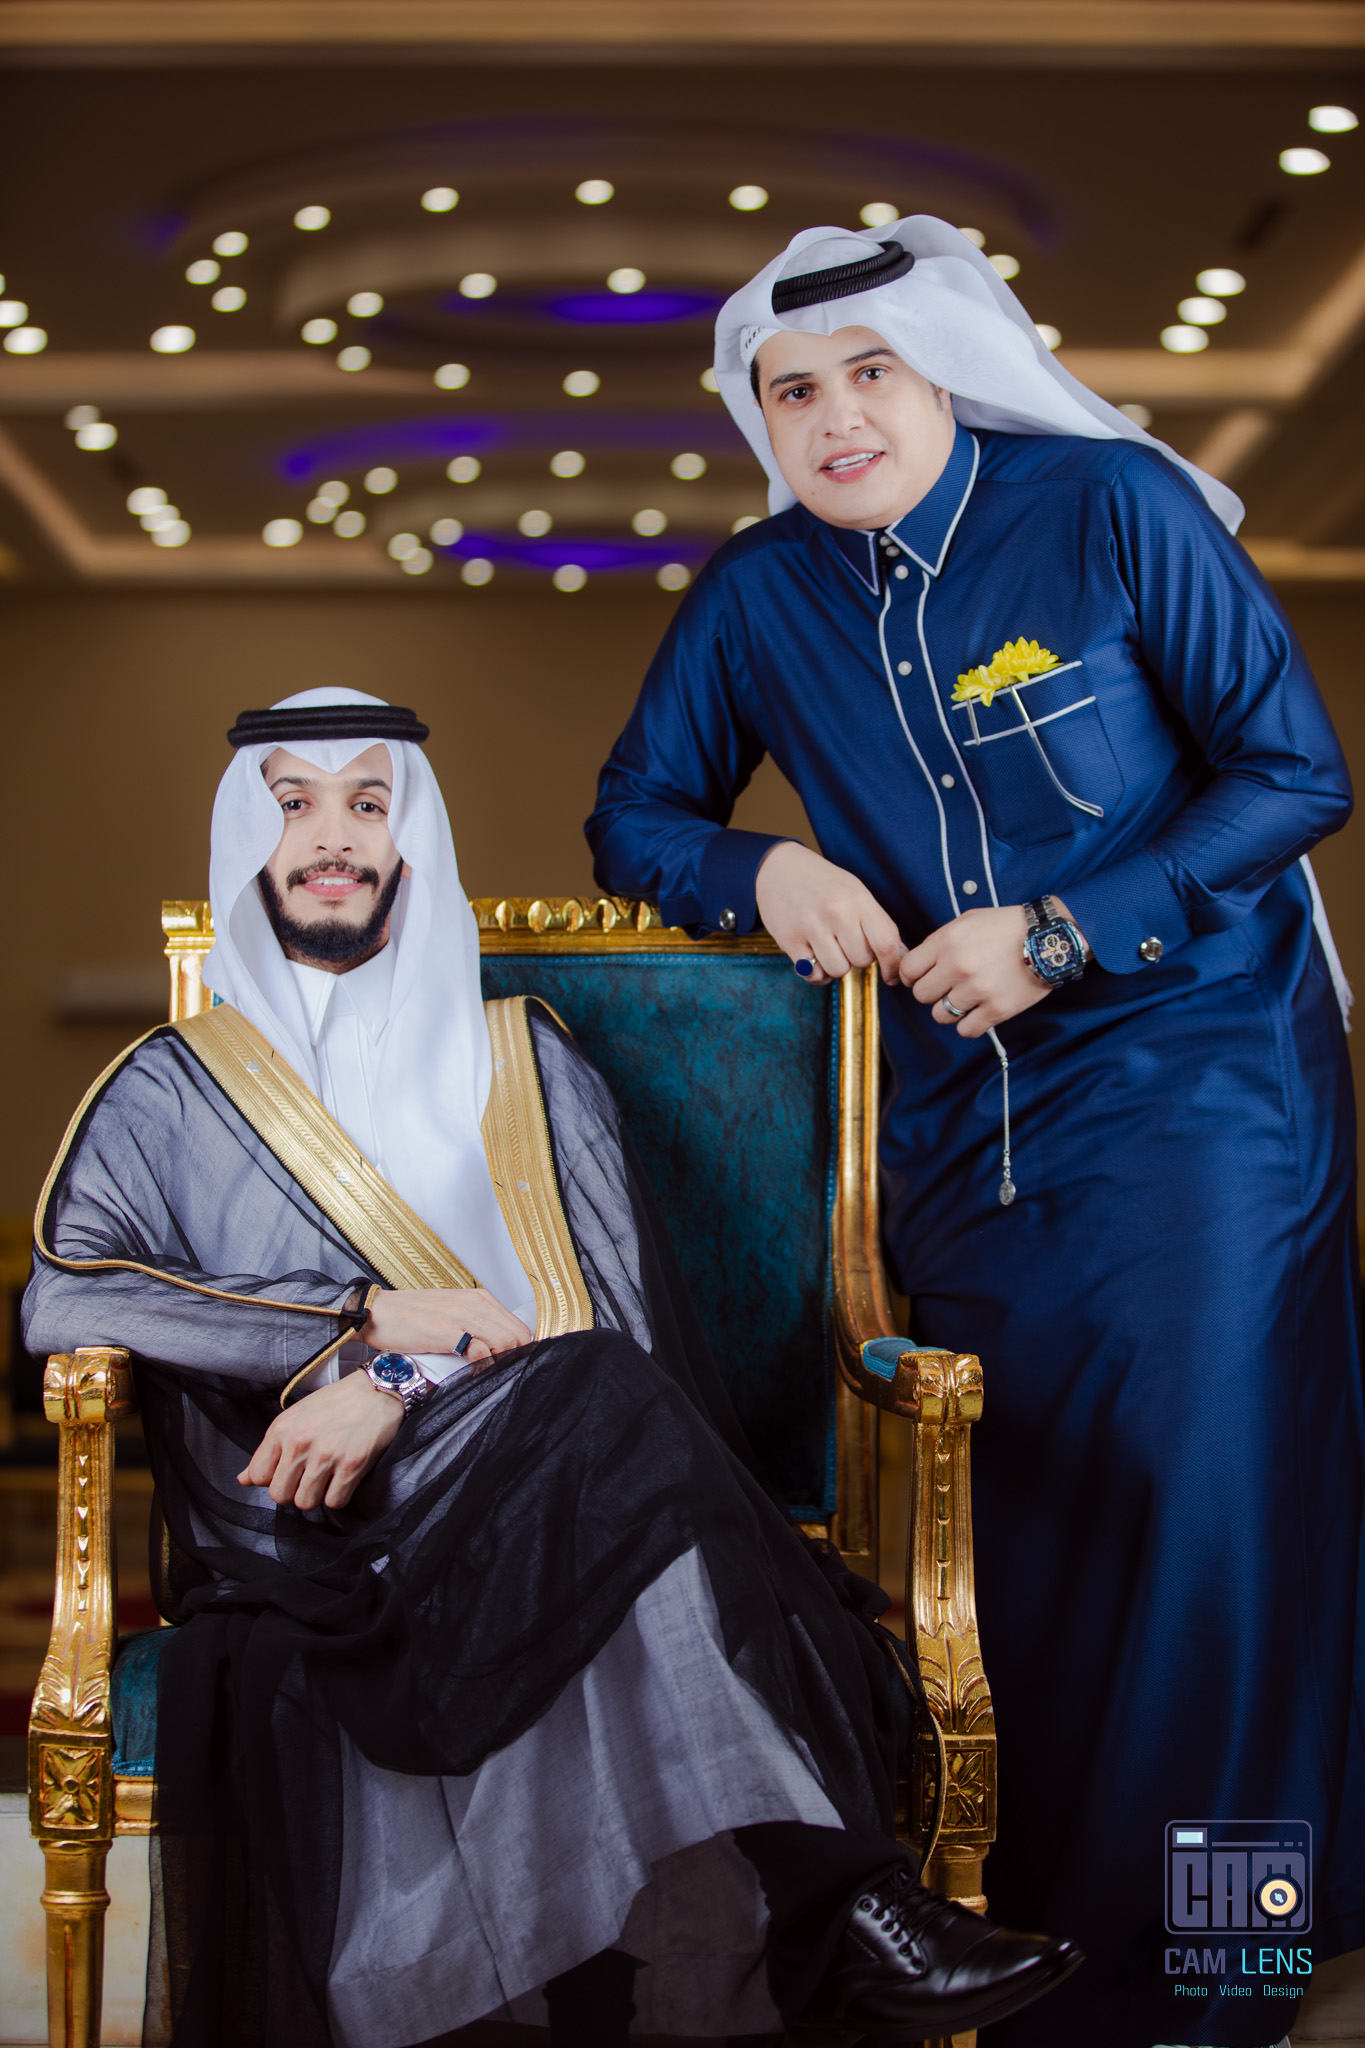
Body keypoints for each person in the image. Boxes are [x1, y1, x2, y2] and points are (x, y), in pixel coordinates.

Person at [23, 687, 1078, 2048]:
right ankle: (854, 1915)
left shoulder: (525, 1058)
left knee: (605, 1390)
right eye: (293, 805)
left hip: (543, 1479)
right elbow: (69, 1292)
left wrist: (397, 1387)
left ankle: (826, 1912)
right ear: (249, 838)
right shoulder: (171, 1087)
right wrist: (356, 1320)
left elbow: (608, 1326)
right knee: (604, 1413)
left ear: (409, 839)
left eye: (365, 803)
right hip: (313, 1519)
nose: (330, 836)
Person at [587, 218, 1365, 2048]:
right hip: (958, 1133)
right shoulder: (755, 595)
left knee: (1209, 1533)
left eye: (870, 374)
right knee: (1027, 1541)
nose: (834, 418)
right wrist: (758, 869)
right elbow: (635, 814)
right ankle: (1050, 1947)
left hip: (1204, 1094)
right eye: (792, 392)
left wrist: (1065, 930)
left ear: (944, 374)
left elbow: (1293, 773)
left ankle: (1221, 1972)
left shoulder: (1110, 511)